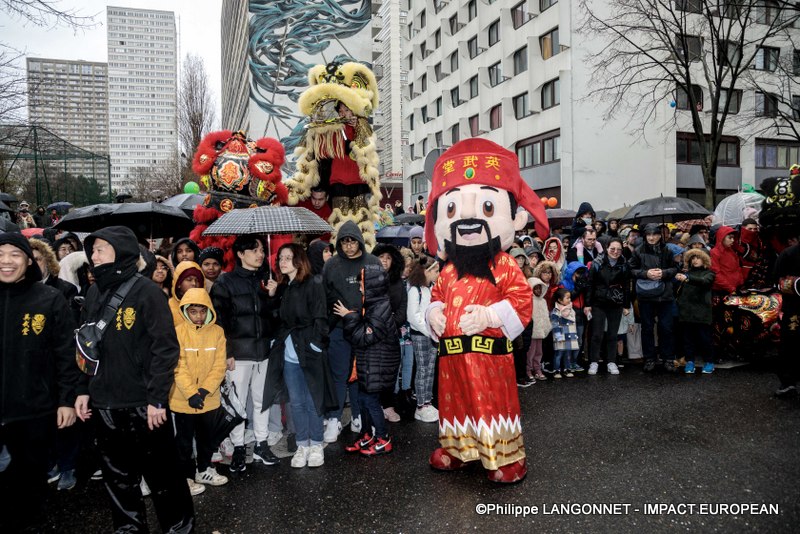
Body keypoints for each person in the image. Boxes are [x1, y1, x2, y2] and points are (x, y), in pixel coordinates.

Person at [423, 138, 549, 484]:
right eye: (452, 209)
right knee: (455, 404)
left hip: (489, 358)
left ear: (515, 218)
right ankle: (458, 449)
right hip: (452, 359)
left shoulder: (504, 264)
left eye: (487, 207)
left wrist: (490, 316)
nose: (467, 219)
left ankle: (506, 457)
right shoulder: (448, 269)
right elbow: (436, 295)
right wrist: (434, 312)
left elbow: (521, 301)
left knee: (491, 406)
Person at [74, 226, 194, 533]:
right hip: (104, 403)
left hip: (144, 403)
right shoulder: (93, 292)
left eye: (101, 249)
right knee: (118, 479)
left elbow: (165, 349)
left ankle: (178, 528)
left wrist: (157, 398)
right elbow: (85, 346)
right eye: (93, 250)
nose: (94, 255)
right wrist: (83, 390)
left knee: (164, 477)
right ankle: (129, 530)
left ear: (121, 252)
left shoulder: (147, 292)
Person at [0, 233, 79, 532]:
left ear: (28, 260)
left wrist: (66, 400)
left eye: (14, 254)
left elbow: (65, 354)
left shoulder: (49, 299)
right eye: (0, 254)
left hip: (34, 410)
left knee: (30, 488)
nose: (6, 261)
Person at [210, 235, 280, 472]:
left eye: (261, 250)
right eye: (254, 250)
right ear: (240, 254)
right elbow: (219, 321)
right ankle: (238, 445)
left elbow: (274, 318)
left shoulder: (267, 280)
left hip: (264, 351)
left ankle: (261, 443)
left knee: (262, 400)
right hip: (238, 355)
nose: (260, 254)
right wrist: (227, 351)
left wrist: (272, 297)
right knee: (237, 402)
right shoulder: (225, 282)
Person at [263, 243, 333, 468]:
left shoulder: (312, 283)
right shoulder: (284, 287)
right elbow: (277, 319)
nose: (282, 262)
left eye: (287, 257)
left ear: (298, 260)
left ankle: (316, 444)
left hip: (309, 351)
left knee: (313, 401)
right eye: (280, 258)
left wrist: (316, 345)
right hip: (289, 354)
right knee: (296, 403)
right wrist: (272, 296)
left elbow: (321, 316)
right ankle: (302, 444)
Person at [321, 220, 382, 442]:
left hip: (365, 329)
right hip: (339, 328)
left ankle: (359, 417)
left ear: (359, 242)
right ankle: (334, 419)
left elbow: (380, 293)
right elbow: (324, 295)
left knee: (362, 375)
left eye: (352, 242)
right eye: (344, 242)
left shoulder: (373, 262)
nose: (349, 246)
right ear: (339, 243)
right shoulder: (332, 265)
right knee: (339, 375)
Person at [170, 288, 229, 494]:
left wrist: (203, 391)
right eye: (193, 311)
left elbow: (219, 366)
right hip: (183, 399)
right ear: (185, 311)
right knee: (184, 441)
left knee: (207, 438)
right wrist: (191, 393)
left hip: (208, 398)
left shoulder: (217, 332)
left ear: (209, 310)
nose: (199, 316)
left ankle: (204, 470)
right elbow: (178, 366)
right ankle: (185, 477)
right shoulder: (178, 333)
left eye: (203, 311)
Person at [337, 265, 400, 456]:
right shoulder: (373, 305)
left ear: (371, 285)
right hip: (370, 363)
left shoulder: (379, 309)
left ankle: (383, 438)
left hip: (377, 365)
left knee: (370, 401)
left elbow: (364, 337)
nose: (359, 288)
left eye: (361, 284)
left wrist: (349, 317)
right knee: (362, 399)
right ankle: (367, 434)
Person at [629, 223, 678, 372]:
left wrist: (664, 273)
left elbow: (675, 268)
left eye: (655, 234)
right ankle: (649, 358)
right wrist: (646, 274)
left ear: (659, 235)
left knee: (666, 327)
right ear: (645, 236)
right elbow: (631, 269)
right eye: (649, 235)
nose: (651, 237)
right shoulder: (638, 251)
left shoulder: (667, 250)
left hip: (665, 294)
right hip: (646, 294)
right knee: (647, 328)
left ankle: (668, 358)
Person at [372, 243, 408, 422]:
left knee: (390, 370)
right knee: (374, 371)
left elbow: (402, 308)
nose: (385, 261)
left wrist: (391, 322)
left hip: (392, 333)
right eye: (381, 257)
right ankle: (374, 407)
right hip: (373, 333)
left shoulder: (398, 282)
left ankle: (388, 405)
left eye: (388, 258)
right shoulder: (369, 279)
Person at [585, 237, 630, 376]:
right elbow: (590, 284)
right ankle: (594, 361)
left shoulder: (624, 264)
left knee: (613, 334)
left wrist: (626, 305)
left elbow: (627, 286)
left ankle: (611, 361)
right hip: (598, 302)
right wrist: (588, 304)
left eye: (619, 249)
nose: (616, 252)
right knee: (596, 334)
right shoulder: (597, 263)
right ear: (606, 248)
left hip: (616, 303)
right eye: (612, 249)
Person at [406, 256, 440, 423]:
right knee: (422, 369)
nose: (438, 274)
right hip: (420, 334)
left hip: (433, 334)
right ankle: (420, 406)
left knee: (431, 369)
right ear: (426, 272)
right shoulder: (415, 290)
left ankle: (428, 402)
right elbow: (413, 316)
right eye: (435, 271)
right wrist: (429, 330)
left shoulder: (432, 288)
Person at [675, 249, 715, 374]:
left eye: (698, 257)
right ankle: (690, 361)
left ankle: (709, 362)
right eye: (693, 258)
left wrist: (687, 278)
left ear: (704, 259)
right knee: (688, 340)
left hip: (702, 312)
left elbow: (704, 281)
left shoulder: (709, 273)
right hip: (686, 311)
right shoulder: (686, 273)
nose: (695, 260)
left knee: (705, 339)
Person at [775, 238, 800, 397]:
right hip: (794, 309)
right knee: (791, 343)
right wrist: (796, 284)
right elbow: (777, 280)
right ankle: (788, 382)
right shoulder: (788, 253)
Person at [550, 288, 579, 378]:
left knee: (567, 354)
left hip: (569, 334)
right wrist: (558, 335)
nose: (569, 299)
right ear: (560, 300)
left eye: (570, 297)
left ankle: (567, 369)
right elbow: (554, 324)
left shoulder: (571, 309)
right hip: (560, 335)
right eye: (567, 298)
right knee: (559, 354)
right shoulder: (555, 311)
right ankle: (556, 370)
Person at [527, 277, 552, 381]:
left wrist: (547, 327)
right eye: (536, 288)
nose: (538, 291)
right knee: (530, 352)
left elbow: (545, 315)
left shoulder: (543, 301)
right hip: (532, 331)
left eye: (540, 288)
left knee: (539, 351)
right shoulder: (529, 301)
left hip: (540, 330)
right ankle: (528, 369)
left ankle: (537, 369)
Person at [169, 261, 204, 326]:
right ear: (178, 284)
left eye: (197, 280)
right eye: (189, 280)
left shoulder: (207, 304)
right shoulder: (169, 306)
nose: (194, 283)